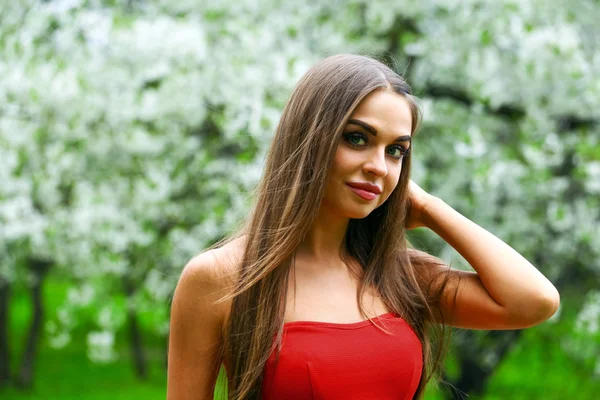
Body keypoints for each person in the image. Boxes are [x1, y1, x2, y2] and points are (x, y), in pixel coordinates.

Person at [166, 54, 560, 400]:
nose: (378, 166)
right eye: (357, 139)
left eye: (396, 151)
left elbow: (534, 301)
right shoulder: (222, 278)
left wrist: (429, 206)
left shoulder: (399, 274)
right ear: (308, 139)